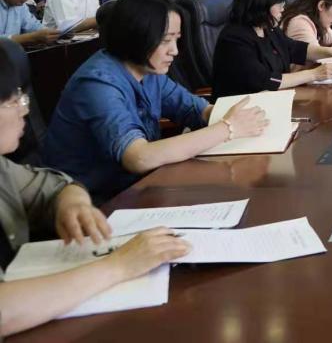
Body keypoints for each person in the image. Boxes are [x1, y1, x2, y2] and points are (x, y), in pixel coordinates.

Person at [0, 50, 192, 336]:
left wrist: (72, 203)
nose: (24, 110)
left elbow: (55, 186)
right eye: (13, 101)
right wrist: (120, 266)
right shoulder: (99, 80)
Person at [41, 0, 269, 201]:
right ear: (135, 36)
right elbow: (139, 157)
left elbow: (195, 109)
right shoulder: (98, 84)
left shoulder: (147, 71)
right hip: (94, 203)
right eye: (165, 40)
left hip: (139, 186)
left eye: (177, 39)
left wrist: (242, 117)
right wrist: (227, 128)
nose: (175, 51)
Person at [211, 0, 332, 98]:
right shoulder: (234, 39)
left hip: (272, 99)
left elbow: (295, 48)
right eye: (279, 3)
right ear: (262, 4)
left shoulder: (268, 29)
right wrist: (314, 74)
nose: (283, 8)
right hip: (241, 107)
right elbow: (264, 80)